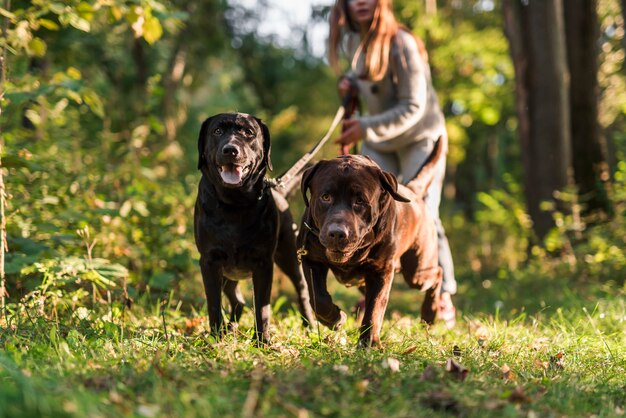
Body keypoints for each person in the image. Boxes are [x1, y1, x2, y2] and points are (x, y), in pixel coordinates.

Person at [328, 0, 457, 327]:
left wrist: (366, 126)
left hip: (420, 136)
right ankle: (369, 289)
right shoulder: (355, 41)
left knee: (425, 210)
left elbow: (414, 105)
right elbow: (374, 81)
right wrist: (351, 84)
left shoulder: (402, 43)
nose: (360, 2)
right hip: (381, 141)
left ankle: (443, 295)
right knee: (368, 208)